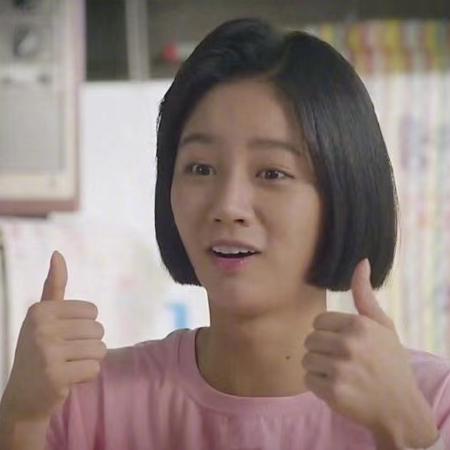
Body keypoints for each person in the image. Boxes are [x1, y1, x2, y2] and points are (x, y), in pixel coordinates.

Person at [0, 17, 449, 450]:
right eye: (200, 168)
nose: (228, 206)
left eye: (272, 172)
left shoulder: (432, 402)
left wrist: (408, 434)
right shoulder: (87, 406)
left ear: (344, 192)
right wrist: (20, 419)